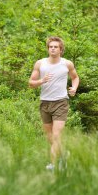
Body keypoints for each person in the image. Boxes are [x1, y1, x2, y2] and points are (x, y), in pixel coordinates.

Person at [28, 36, 79, 171]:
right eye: (51, 47)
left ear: (61, 49)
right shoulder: (40, 64)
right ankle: (63, 156)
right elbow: (31, 83)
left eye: (56, 47)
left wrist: (74, 88)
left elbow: (75, 77)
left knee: (56, 135)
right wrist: (41, 81)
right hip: (45, 103)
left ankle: (53, 165)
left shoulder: (67, 64)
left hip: (61, 102)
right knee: (50, 137)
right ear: (48, 48)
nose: (53, 49)